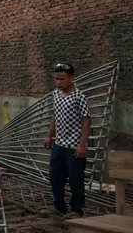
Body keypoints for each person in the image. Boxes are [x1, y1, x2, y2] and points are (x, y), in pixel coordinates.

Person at [43, 63, 91, 217]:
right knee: (55, 176)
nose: (58, 82)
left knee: (75, 178)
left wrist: (82, 145)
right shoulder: (56, 94)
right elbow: (55, 115)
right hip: (59, 144)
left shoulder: (79, 97)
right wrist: (50, 135)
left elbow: (86, 121)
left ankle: (77, 209)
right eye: (56, 79)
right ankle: (59, 206)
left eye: (62, 79)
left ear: (71, 78)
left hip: (74, 145)